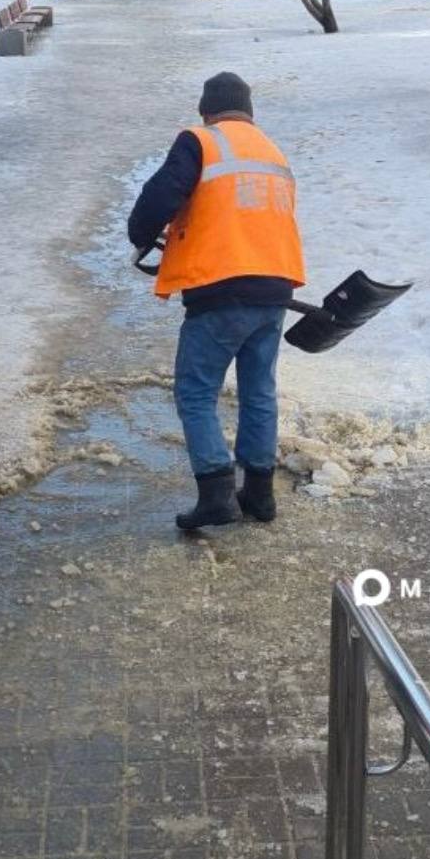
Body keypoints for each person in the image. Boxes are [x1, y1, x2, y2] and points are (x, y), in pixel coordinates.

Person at [127, 72, 306, 529]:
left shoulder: (201, 141)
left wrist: (141, 232)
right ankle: (260, 495)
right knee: (259, 390)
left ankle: (216, 494)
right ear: (249, 111)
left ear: (206, 110)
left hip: (222, 288)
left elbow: (162, 194)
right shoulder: (270, 149)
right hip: (276, 287)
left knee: (196, 390)